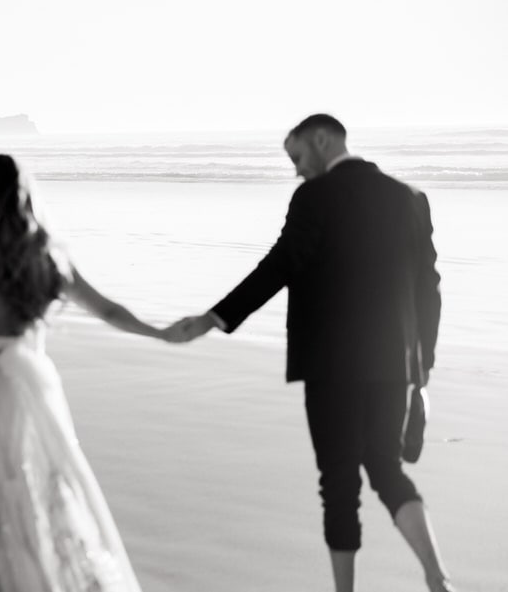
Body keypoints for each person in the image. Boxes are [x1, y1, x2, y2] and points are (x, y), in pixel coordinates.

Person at [173, 114, 454, 592]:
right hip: (393, 364)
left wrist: (213, 318)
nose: (296, 170)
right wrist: (421, 369)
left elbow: (280, 265)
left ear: (321, 140)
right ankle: (437, 578)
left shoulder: (315, 197)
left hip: (332, 363)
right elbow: (430, 290)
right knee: (386, 469)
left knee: (339, 483)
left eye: (297, 157)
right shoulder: (410, 198)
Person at [0, 154, 177, 591]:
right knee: (44, 497)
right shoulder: (47, 260)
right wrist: (158, 333)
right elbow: (106, 309)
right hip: (33, 391)